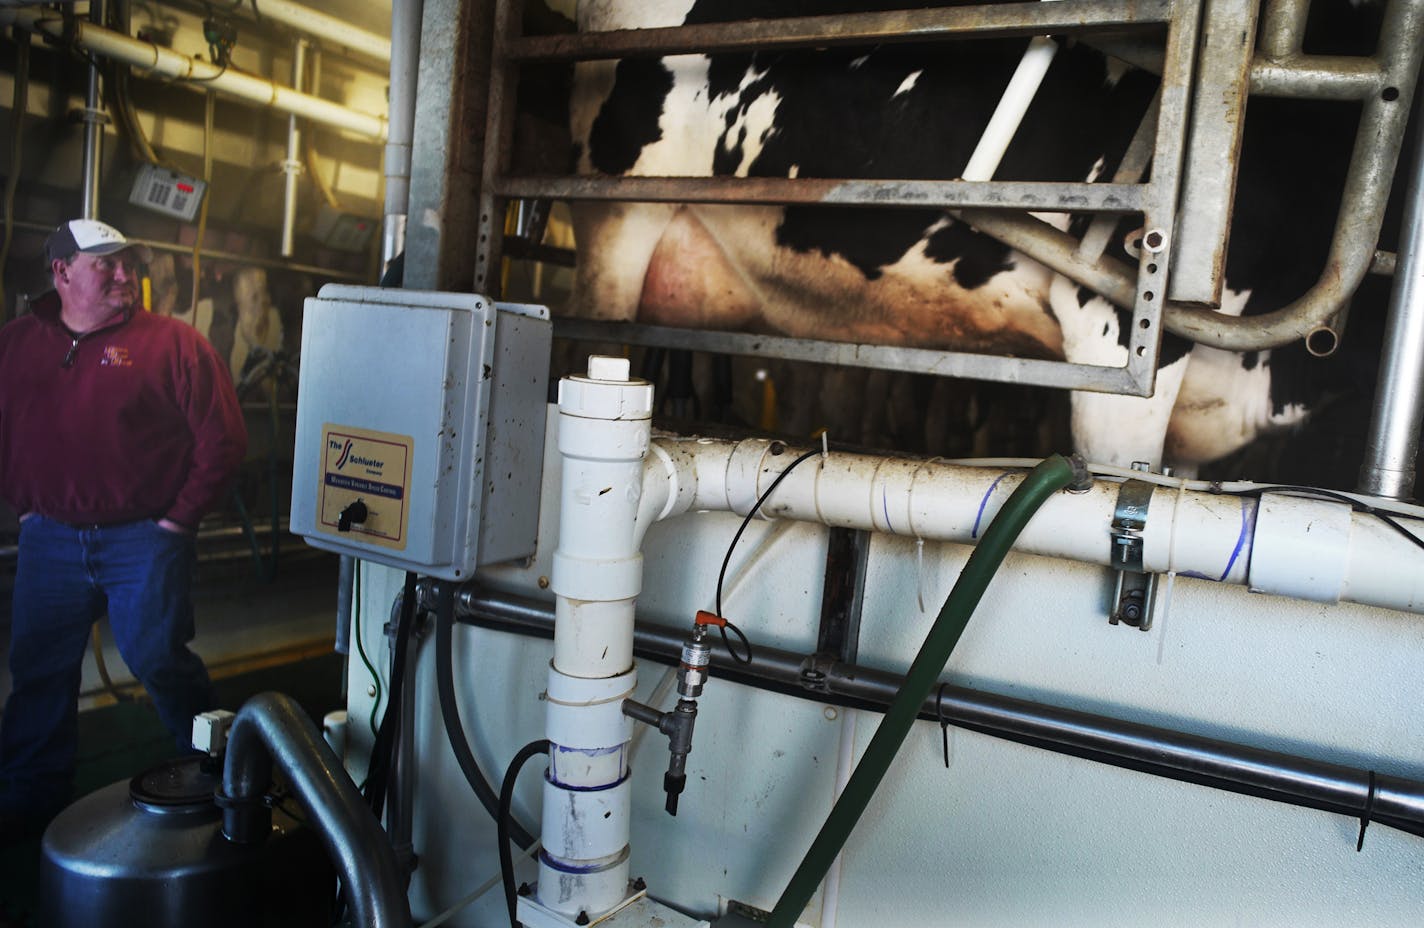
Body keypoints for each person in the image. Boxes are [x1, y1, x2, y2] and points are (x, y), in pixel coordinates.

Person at [0, 219, 247, 837]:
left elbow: (224, 439)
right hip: (49, 539)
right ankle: (31, 800)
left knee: (158, 658)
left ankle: (214, 771)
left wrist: (175, 520)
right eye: (104, 264)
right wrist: (23, 504)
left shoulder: (173, 344)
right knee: (39, 671)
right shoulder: (17, 343)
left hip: (143, 539)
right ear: (61, 274)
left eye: (125, 263)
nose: (122, 274)